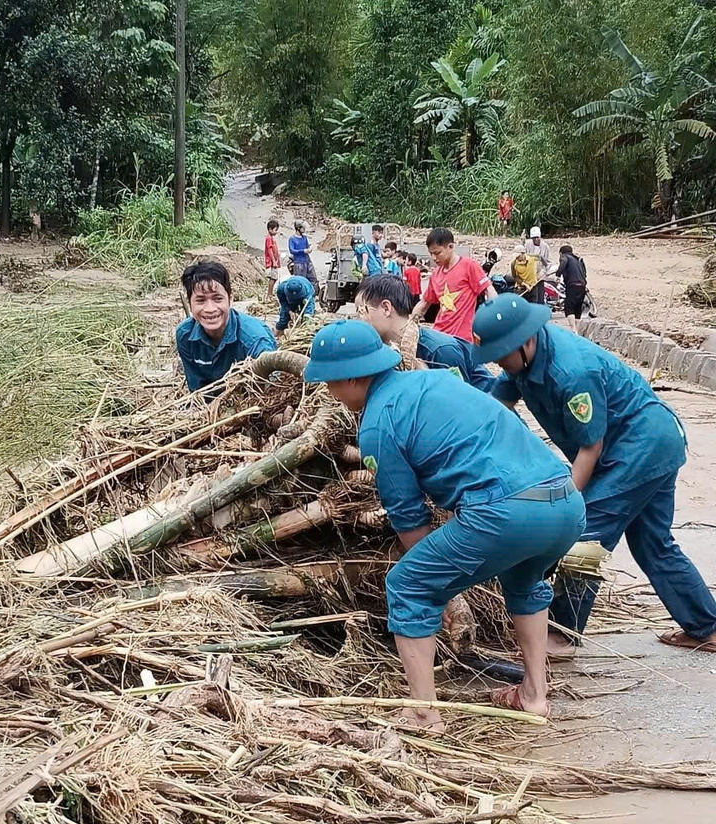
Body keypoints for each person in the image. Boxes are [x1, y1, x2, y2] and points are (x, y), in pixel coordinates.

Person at [303, 319, 585, 725]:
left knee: (408, 583)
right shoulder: (433, 381)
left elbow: (408, 516)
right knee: (525, 581)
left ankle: (422, 711)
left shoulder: (379, 422)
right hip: (564, 502)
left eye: (329, 382)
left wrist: (437, 588)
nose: (329, 392)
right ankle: (533, 695)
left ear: (349, 377)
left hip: (507, 511)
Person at [473, 294, 716, 657]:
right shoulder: (520, 364)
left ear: (525, 341)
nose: (497, 362)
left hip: (642, 447)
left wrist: (567, 504)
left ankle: (562, 633)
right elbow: (497, 407)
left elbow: (591, 448)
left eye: (500, 354)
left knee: (586, 538)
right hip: (644, 446)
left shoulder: (572, 371)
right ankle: (707, 627)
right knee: (654, 544)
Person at [355, 273, 497, 391]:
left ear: (386, 308)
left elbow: (459, 404)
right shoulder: (395, 350)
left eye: (361, 311)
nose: (358, 320)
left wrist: (427, 379)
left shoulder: (439, 351)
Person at [176, 261, 276, 392]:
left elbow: (270, 393)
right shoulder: (185, 335)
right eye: (200, 300)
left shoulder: (255, 340)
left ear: (231, 299)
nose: (210, 309)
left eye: (218, 299)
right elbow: (197, 391)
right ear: (189, 304)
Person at [411, 227, 497, 350]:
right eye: (431, 254)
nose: (434, 258)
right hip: (439, 335)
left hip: (461, 339)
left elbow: (489, 290)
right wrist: (411, 324)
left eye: (437, 253)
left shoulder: (469, 266)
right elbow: (424, 303)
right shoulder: (436, 274)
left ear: (450, 247)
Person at [554, 244, 587, 332]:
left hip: (572, 285)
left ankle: (573, 329)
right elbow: (584, 273)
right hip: (582, 285)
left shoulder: (565, 257)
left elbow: (563, 264)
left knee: (569, 307)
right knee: (578, 308)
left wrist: (557, 275)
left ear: (561, 253)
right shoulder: (578, 260)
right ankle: (577, 330)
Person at [526, 226, 551, 304]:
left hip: (540, 273)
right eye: (534, 238)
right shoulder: (527, 245)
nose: (536, 239)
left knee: (540, 294)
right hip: (530, 273)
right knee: (533, 295)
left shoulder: (545, 247)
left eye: (537, 237)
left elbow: (546, 261)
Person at [288, 220, 318, 285]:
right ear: (298, 228)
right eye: (303, 228)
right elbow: (292, 250)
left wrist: (310, 248)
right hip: (298, 263)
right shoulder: (292, 239)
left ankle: (314, 293)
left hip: (307, 261)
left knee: (313, 279)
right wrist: (303, 251)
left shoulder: (304, 238)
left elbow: (307, 246)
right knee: (300, 281)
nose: (304, 229)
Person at [264, 218, 281, 300]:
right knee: (273, 277)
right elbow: (270, 250)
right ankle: (269, 294)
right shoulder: (269, 238)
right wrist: (273, 261)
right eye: (275, 230)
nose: (276, 232)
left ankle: (270, 293)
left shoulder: (271, 238)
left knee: (274, 277)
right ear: (270, 229)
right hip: (271, 262)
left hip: (274, 261)